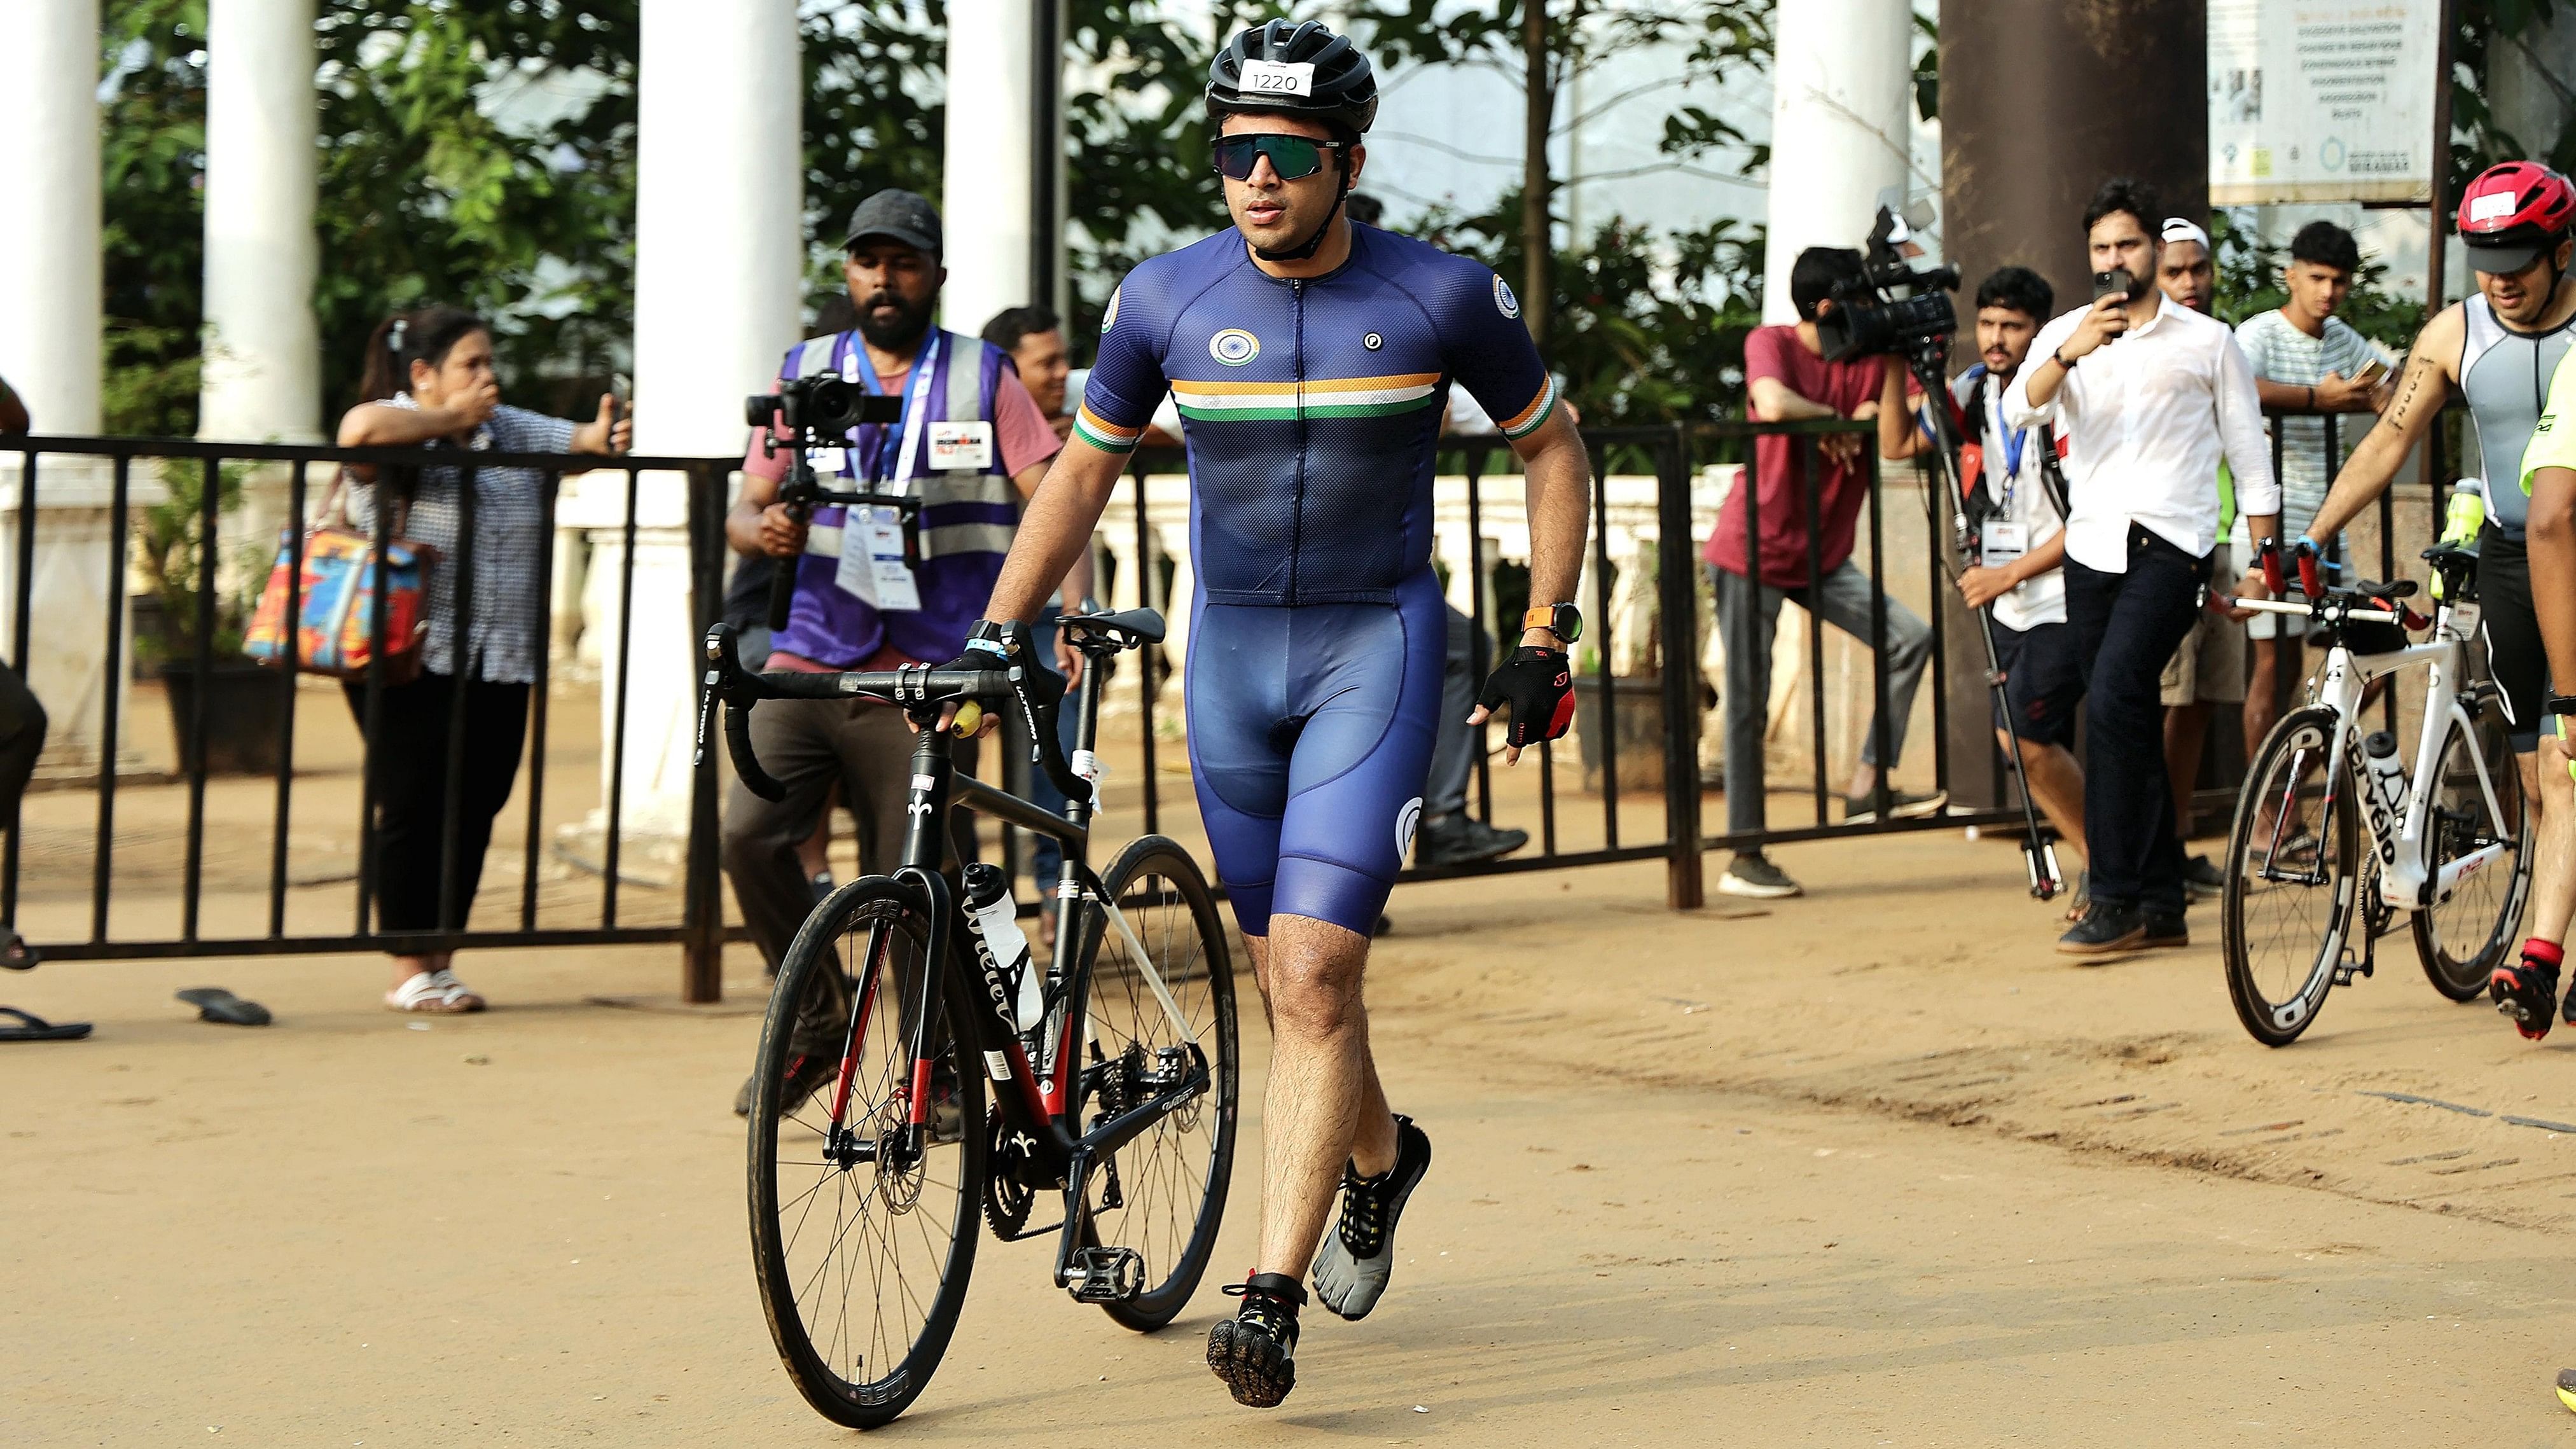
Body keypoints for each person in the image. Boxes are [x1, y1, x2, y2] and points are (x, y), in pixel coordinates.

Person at [950, 19, 1591, 1406]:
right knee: (1286, 972)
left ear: (1347, 161)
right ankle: (1382, 1154)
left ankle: (1265, 1296)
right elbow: (1075, 478)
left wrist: (1546, 627)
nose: (1255, 181)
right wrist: (1000, 623)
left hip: (1378, 643)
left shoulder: (1441, 295)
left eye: (1285, 157)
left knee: (1312, 972)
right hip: (1230, 657)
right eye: (1233, 153)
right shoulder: (1162, 301)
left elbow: (1553, 443)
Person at [721, 190, 1076, 1112]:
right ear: (847, 273)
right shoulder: (805, 371)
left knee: (912, 875)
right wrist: (761, 532)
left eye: (904, 262)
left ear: (936, 277)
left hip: (929, 673)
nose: (885, 279)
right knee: (745, 836)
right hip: (812, 658)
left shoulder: (981, 373)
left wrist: (1064, 619)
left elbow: (1054, 501)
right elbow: (743, 508)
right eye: (868, 262)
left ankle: (941, 1067)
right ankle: (819, 1020)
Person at [2299, 162, 2576, 1031]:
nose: (2501, 281)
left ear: (2561, 251)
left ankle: (2540, 956)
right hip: (2509, 556)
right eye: (2484, 261)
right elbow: (2388, 438)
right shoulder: (2453, 334)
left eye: (2520, 261)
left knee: (2569, 763)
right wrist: (2312, 533)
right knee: (2536, 777)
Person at [2004, 177, 2281, 955]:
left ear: (2157, 249)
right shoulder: (2069, 332)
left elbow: (2249, 455)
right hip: (2094, 545)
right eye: (2101, 247)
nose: (2115, 258)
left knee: (2122, 692)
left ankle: (2116, 893)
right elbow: (2021, 408)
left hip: (2176, 543)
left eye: (2128, 244)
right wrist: (2069, 352)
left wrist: (2264, 560)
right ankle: (2162, 898)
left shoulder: (2207, 340)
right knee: (2121, 712)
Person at [336, 306, 632, 1011]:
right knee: (414, 804)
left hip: (501, 655)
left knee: (475, 806)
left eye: (490, 363)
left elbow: (583, 440)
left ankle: (441, 958)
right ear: (424, 375)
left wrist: (606, 433)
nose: (488, 377)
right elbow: (358, 433)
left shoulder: (509, 428)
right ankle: (407, 966)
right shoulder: (401, 422)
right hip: (413, 652)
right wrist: (451, 422)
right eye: (472, 365)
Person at [1707, 246, 1941, 900]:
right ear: (1832, 307)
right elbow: (1773, 402)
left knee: (1910, 638)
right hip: (1751, 549)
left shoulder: (1870, 361)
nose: (1874, 315)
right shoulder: (1773, 341)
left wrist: (1882, 411)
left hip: (1822, 556)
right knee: (1748, 706)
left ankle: (1868, 784)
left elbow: (1921, 423)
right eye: (1864, 303)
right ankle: (1744, 852)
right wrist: (1839, 421)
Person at [1880, 267, 2088, 901]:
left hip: (2064, 592)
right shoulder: (1972, 390)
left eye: (2013, 327)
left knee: (2021, 738)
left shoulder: (2068, 397)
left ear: (2042, 331)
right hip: (2011, 599)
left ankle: (2111, 870)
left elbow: (2089, 518)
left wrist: (2009, 573)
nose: (1996, 338)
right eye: (1988, 324)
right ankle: (2112, 871)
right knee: (2039, 746)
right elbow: (1894, 443)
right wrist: (1893, 357)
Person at [2234, 221, 2391, 755]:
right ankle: (2267, 814)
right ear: (2291, 276)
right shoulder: (2259, 333)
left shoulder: (2344, 339)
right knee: (2272, 666)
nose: (2328, 291)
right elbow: (2238, 388)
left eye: (2340, 281)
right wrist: (2314, 399)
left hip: (2329, 530)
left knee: (2372, 656)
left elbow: (2392, 384)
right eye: (2318, 277)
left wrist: (2379, 391)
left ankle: (2304, 765)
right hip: (2269, 523)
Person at [980, 302, 1093, 938]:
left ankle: (1057, 886)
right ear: (1005, 371)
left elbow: (1067, 523)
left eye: (1063, 360)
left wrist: (1074, 614)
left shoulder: (1076, 424)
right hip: (962, 614)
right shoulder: (959, 416)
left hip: (1043, 611)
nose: (1060, 373)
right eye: (1045, 362)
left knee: (1061, 716)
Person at [2152, 218, 2247, 901]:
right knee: (2162, 701)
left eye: (2197, 269)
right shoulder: (2140, 348)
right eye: (2174, 271)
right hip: (2166, 547)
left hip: (2220, 544)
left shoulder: (2220, 344)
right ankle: (2151, 851)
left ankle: (2175, 845)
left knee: (2201, 702)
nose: (2189, 283)